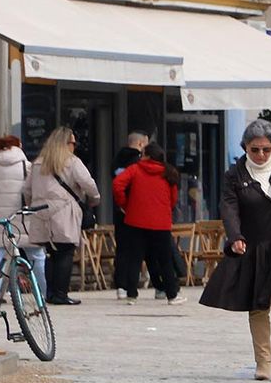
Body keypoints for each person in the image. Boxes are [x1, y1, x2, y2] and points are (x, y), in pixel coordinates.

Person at [200, 120, 271, 380]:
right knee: (259, 304)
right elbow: (229, 208)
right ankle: (263, 360)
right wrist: (235, 236)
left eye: (266, 149)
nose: (261, 155)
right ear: (245, 148)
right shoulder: (235, 175)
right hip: (254, 245)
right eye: (255, 150)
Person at [25, 126, 100, 306]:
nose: (75, 146)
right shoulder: (72, 161)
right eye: (73, 142)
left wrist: (32, 205)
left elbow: (26, 189)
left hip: (41, 211)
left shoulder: (37, 163)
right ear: (66, 143)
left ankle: (50, 293)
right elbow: (89, 184)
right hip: (63, 210)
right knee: (65, 252)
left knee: (51, 253)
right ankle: (61, 293)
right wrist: (94, 199)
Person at [113, 142, 185, 305]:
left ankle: (131, 294)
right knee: (165, 260)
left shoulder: (135, 169)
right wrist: (166, 208)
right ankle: (171, 295)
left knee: (135, 258)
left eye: (142, 154)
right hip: (161, 222)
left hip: (136, 220)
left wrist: (125, 204)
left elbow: (118, 184)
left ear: (147, 156)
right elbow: (173, 198)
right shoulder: (169, 172)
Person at [0, 135, 47, 303]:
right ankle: (42, 292)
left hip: (0, 215)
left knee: (0, 254)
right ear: (19, 146)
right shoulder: (26, 165)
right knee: (36, 255)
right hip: (22, 216)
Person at [111, 131, 149, 297]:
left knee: (122, 248)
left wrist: (121, 204)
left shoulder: (116, 161)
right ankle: (132, 285)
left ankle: (121, 285)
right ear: (140, 144)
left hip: (120, 210)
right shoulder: (138, 163)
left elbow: (116, 184)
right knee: (137, 249)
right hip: (135, 209)